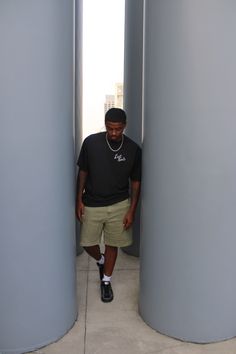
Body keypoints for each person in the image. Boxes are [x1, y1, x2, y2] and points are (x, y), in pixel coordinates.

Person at [76, 108, 141, 303]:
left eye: (118, 129)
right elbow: (83, 172)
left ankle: (106, 280)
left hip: (120, 203)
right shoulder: (91, 143)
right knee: (87, 243)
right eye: (110, 128)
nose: (114, 133)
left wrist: (132, 210)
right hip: (92, 202)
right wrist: (78, 199)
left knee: (113, 244)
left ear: (124, 127)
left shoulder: (133, 149)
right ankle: (101, 261)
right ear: (105, 125)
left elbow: (136, 181)